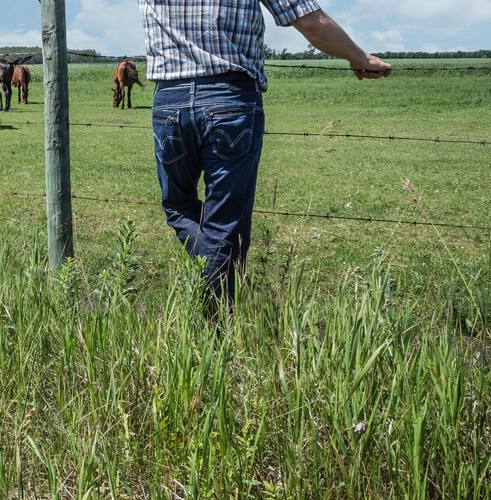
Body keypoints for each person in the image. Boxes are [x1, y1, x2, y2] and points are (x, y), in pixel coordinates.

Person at [141, 1, 391, 305]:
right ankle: (217, 320)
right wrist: (359, 57)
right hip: (229, 97)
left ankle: (210, 300)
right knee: (225, 224)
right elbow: (310, 21)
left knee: (178, 206)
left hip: (169, 101)